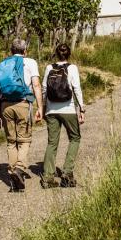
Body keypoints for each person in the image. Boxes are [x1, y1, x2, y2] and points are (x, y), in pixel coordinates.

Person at [0, 38, 43, 191]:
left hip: (5, 106)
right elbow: (36, 84)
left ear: (11, 51)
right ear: (25, 51)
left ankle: (13, 176)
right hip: (22, 104)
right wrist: (40, 107)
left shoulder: (3, 64)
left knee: (11, 141)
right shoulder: (31, 62)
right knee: (24, 140)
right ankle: (19, 169)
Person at [41, 43, 85, 189]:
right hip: (68, 108)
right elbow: (77, 88)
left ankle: (48, 178)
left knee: (52, 142)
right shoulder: (72, 68)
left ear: (56, 53)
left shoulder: (49, 67)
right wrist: (82, 109)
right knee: (75, 138)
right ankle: (67, 173)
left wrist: (43, 107)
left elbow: (44, 88)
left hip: (51, 110)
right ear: (69, 54)